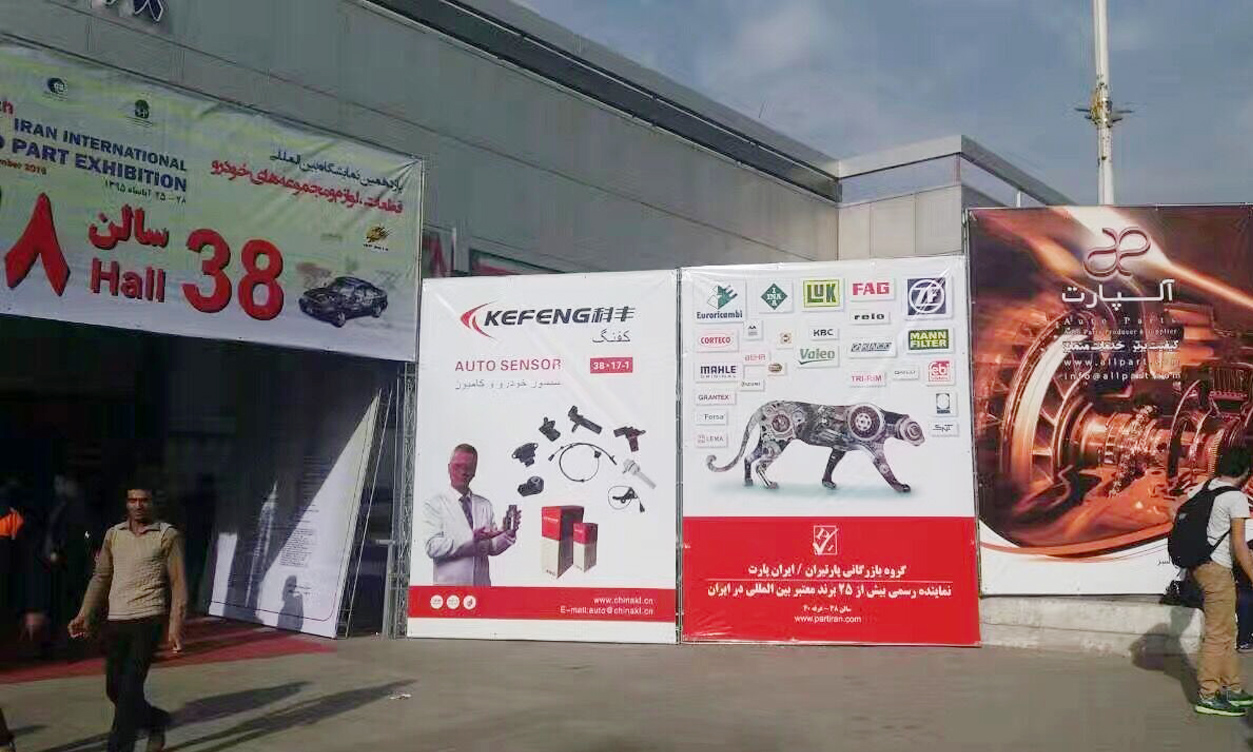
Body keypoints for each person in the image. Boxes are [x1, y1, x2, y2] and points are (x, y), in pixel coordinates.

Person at [68, 485, 188, 752]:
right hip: (117, 619)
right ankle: (155, 720)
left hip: (149, 619)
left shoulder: (167, 535)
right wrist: (84, 614)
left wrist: (175, 626)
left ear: (153, 503)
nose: (138, 505)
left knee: (130, 691)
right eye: (133, 500)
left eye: (144, 500)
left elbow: (178, 583)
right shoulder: (114, 534)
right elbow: (101, 577)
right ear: (126, 503)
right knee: (114, 688)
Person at [1191, 446, 1253, 717]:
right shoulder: (1236, 498)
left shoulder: (1204, 488)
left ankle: (1232, 688)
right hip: (1217, 570)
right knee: (1218, 634)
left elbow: (1173, 510)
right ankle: (1208, 694)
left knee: (1228, 629)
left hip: (1201, 566)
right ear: (1246, 471)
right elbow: (1240, 545)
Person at [422, 444, 517, 586]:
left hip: (482, 588)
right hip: (449, 591)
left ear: (475, 471)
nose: (463, 472)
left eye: (469, 467)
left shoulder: (485, 504)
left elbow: (491, 547)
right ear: (449, 468)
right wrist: (471, 537)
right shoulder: (434, 504)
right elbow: (432, 547)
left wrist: (507, 534)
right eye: (458, 466)